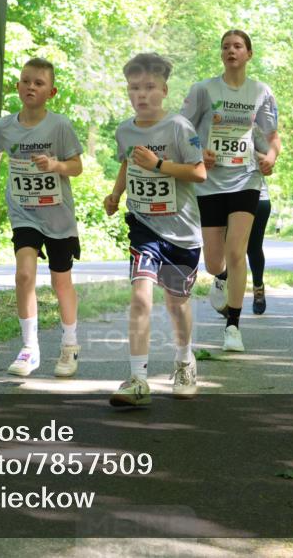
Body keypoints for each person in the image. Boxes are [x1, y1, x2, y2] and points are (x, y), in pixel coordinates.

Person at [103, 53, 207, 406]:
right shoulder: (125, 130)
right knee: (140, 297)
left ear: (163, 90)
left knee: (177, 304)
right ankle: (137, 378)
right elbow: (127, 163)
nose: (141, 95)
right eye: (134, 88)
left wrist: (160, 164)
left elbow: (199, 173)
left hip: (182, 232)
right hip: (144, 227)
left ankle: (184, 361)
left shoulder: (179, 127)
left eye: (149, 88)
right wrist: (116, 194)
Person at [0, 58, 83, 378]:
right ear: (17, 86)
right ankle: (29, 348)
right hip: (24, 211)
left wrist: (55, 166)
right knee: (24, 275)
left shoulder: (60, 126)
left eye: (38, 83)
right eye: (26, 81)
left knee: (60, 282)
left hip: (58, 216)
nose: (31, 87)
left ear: (50, 92)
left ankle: (69, 346)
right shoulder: (6, 125)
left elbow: (77, 166)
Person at [180, 29, 280, 352]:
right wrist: (198, 152)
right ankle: (220, 277)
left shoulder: (261, 92)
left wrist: (271, 158)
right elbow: (182, 130)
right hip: (210, 183)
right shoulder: (204, 90)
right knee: (213, 261)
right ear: (221, 54)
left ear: (249, 54)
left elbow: (271, 136)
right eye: (226, 47)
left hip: (246, 180)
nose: (231, 51)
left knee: (238, 252)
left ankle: (233, 327)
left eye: (237, 46)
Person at [246, 180, 272, 314]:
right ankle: (224, 290)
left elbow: (269, 160)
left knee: (253, 247)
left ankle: (258, 288)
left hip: (258, 197)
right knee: (228, 247)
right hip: (222, 194)